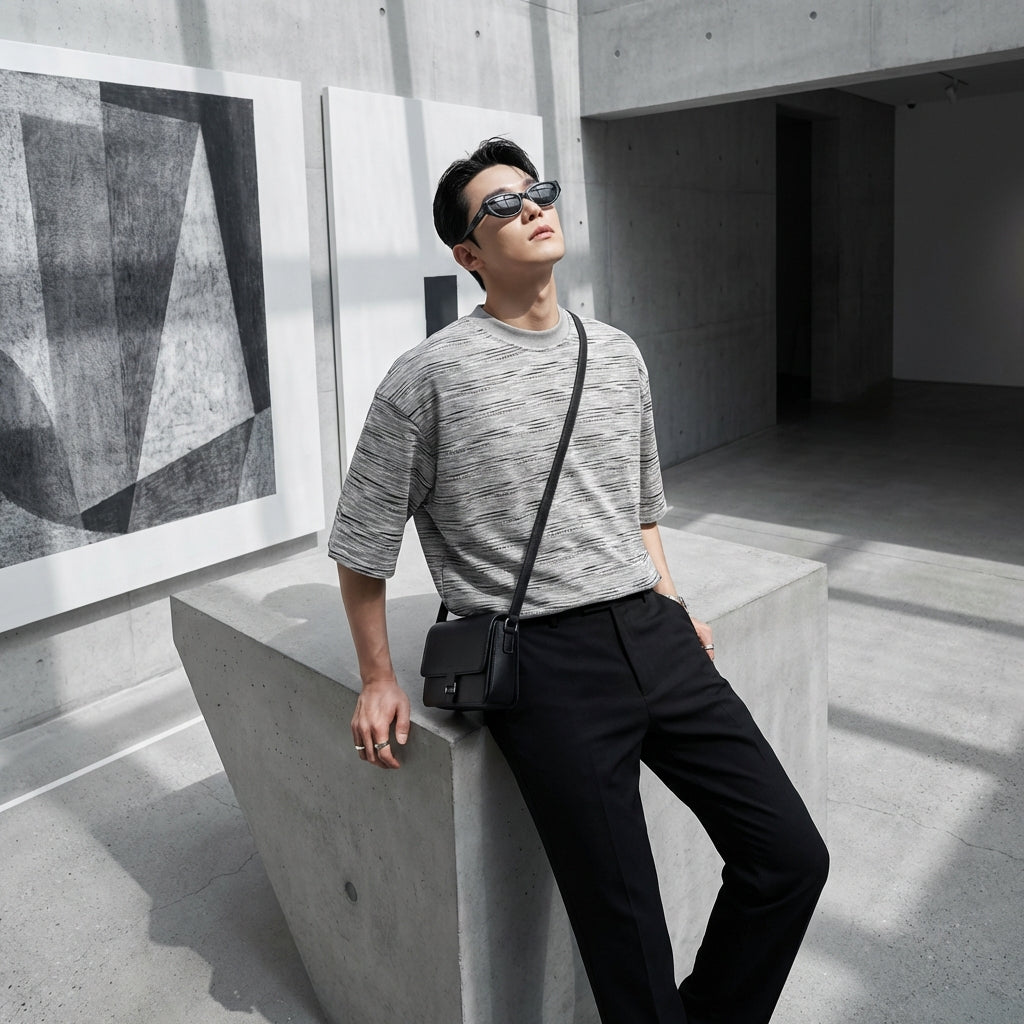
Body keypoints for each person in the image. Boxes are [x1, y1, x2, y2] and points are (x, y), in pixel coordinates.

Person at [328, 137, 828, 1024]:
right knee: (628, 943)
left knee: (789, 856)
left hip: (654, 634)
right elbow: (362, 542)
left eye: (538, 191)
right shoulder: (429, 376)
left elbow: (640, 505)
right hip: (544, 665)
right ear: (469, 255)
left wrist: (670, 600)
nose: (532, 207)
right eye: (501, 204)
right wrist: (377, 677)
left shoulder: (618, 353)